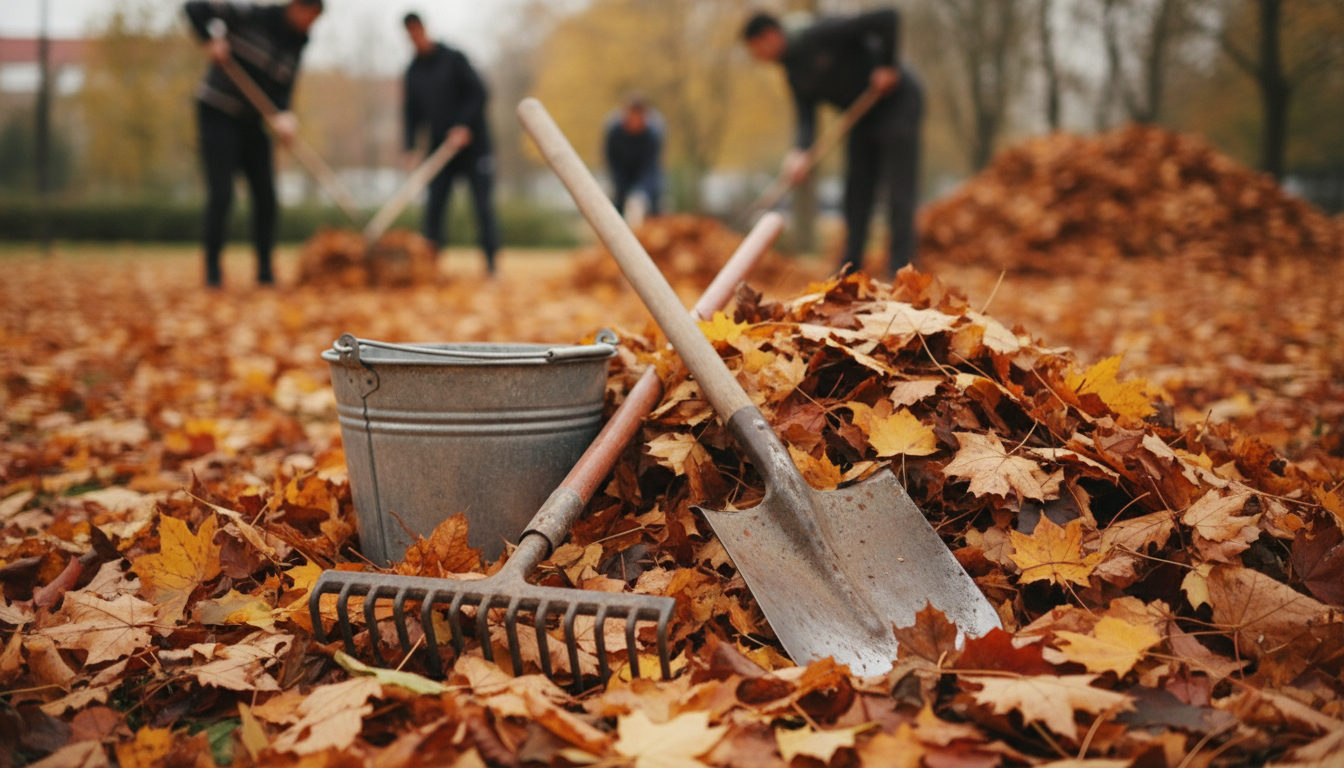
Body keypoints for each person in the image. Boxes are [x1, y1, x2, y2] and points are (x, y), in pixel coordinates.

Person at [742, 9, 924, 277]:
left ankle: (901, 270)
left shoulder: (821, 33)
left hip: (897, 103)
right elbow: (806, 118)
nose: (758, 58)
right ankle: (850, 269)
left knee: (898, 192)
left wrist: (887, 65)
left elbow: (887, 18)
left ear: (769, 36)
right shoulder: (793, 71)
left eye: (757, 50)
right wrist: (800, 152)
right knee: (856, 193)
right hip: (861, 117)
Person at [184, 0, 324, 288]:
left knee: (266, 195)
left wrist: (284, 116)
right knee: (222, 194)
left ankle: (264, 272)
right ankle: (213, 271)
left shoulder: (298, 42)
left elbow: (284, 86)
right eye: (310, 17)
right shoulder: (253, 16)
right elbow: (195, 7)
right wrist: (208, 39)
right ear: (296, 7)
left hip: (252, 120)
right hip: (218, 112)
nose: (311, 24)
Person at [401, 12, 500, 276]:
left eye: (417, 32)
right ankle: (430, 266)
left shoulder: (454, 59)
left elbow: (480, 93)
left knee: (482, 207)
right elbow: (411, 114)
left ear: (424, 29)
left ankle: (491, 266)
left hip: (474, 146)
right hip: (440, 148)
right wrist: (409, 147)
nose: (415, 38)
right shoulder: (413, 72)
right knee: (434, 208)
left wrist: (464, 125)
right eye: (410, 35)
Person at [603, 95, 665, 218]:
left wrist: (642, 192)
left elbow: (650, 167)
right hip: (621, 173)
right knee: (616, 203)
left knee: (652, 204)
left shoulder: (653, 134)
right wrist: (617, 185)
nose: (635, 123)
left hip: (645, 175)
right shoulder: (614, 131)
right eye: (632, 117)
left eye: (638, 118)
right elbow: (612, 162)